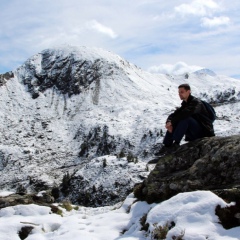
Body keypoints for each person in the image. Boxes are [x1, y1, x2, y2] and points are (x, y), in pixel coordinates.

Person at [159, 83, 215, 154]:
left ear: (188, 92)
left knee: (185, 119)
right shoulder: (185, 104)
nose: (179, 94)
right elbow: (174, 114)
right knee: (175, 121)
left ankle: (176, 144)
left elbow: (186, 113)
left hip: (204, 132)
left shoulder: (196, 103)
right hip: (194, 132)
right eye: (179, 92)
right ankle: (167, 145)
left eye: (182, 92)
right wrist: (169, 122)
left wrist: (172, 121)